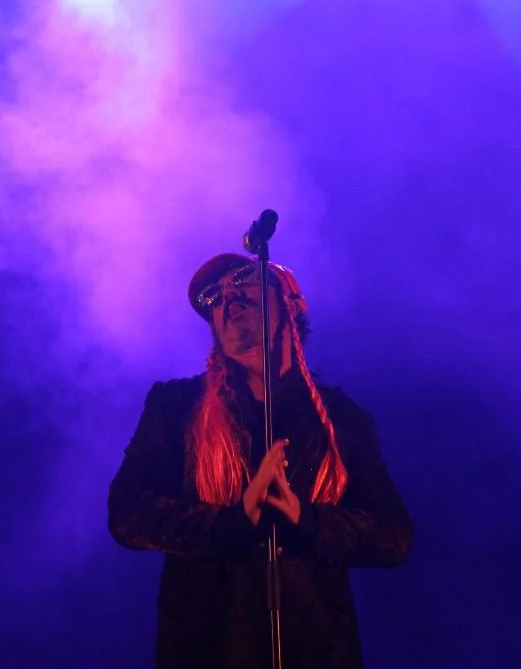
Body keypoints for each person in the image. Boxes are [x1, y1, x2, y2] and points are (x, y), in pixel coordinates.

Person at [107, 252, 413, 669]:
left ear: (291, 302)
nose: (226, 299)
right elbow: (128, 513)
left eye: (243, 280)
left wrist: (308, 521)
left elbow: (394, 536)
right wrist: (231, 523)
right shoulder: (176, 406)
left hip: (316, 649)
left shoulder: (342, 419)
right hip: (207, 648)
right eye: (214, 298)